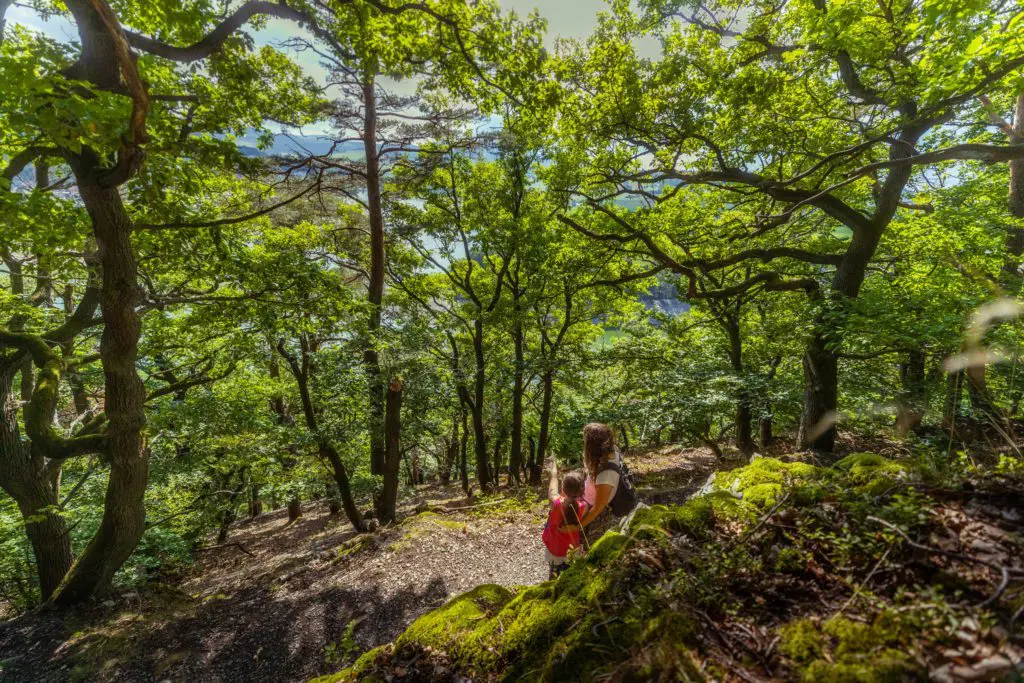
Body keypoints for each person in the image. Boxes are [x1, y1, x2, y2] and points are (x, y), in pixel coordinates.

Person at [579, 423, 640, 535]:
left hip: (596, 518)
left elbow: (597, 509)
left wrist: (578, 526)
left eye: (586, 441)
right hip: (589, 503)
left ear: (592, 446)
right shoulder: (612, 451)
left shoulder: (605, 475)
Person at [542, 461, 587, 579]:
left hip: (555, 549)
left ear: (563, 488)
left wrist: (554, 471)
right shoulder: (583, 507)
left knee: (553, 576)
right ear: (582, 491)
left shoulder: (556, 504)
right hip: (572, 549)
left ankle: (552, 590)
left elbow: (552, 488)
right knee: (570, 576)